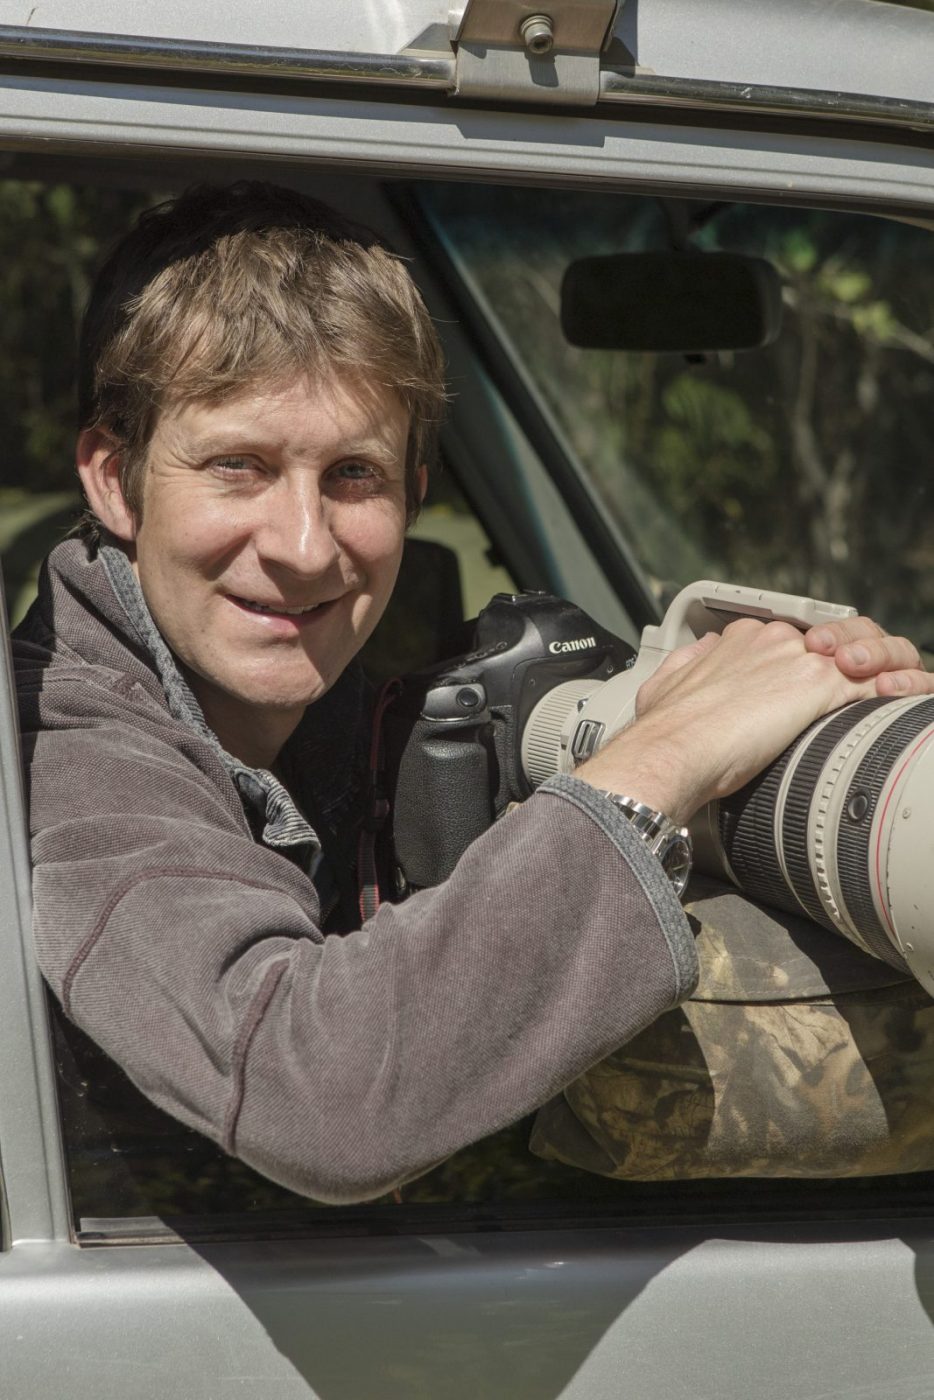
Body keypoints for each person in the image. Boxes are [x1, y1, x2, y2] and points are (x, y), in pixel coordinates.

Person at [12, 182, 933, 1205]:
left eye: (353, 474)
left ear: (413, 493)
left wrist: (816, 701)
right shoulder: (54, 748)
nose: (305, 545)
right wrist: (667, 754)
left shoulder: (343, 722)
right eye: (239, 465)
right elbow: (315, 1096)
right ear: (115, 478)